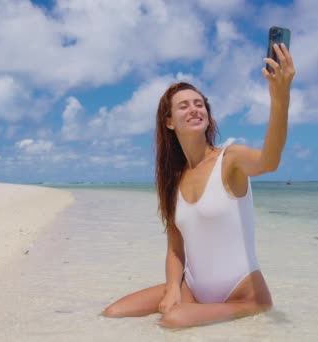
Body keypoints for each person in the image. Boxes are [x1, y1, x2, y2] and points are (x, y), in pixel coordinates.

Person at [101, 43, 295, 328]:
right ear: (169, 122)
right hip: (194, 289)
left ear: (207, 115)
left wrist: (280, 98)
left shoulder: (230, 159)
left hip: (245, 296)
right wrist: (171, 290)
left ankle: (243, 308)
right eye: (184, 105)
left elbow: (269, 161)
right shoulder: (173, 179)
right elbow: (175, 249)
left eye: (199, 104)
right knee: (113, 313)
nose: (194, 109)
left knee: (174, 320)